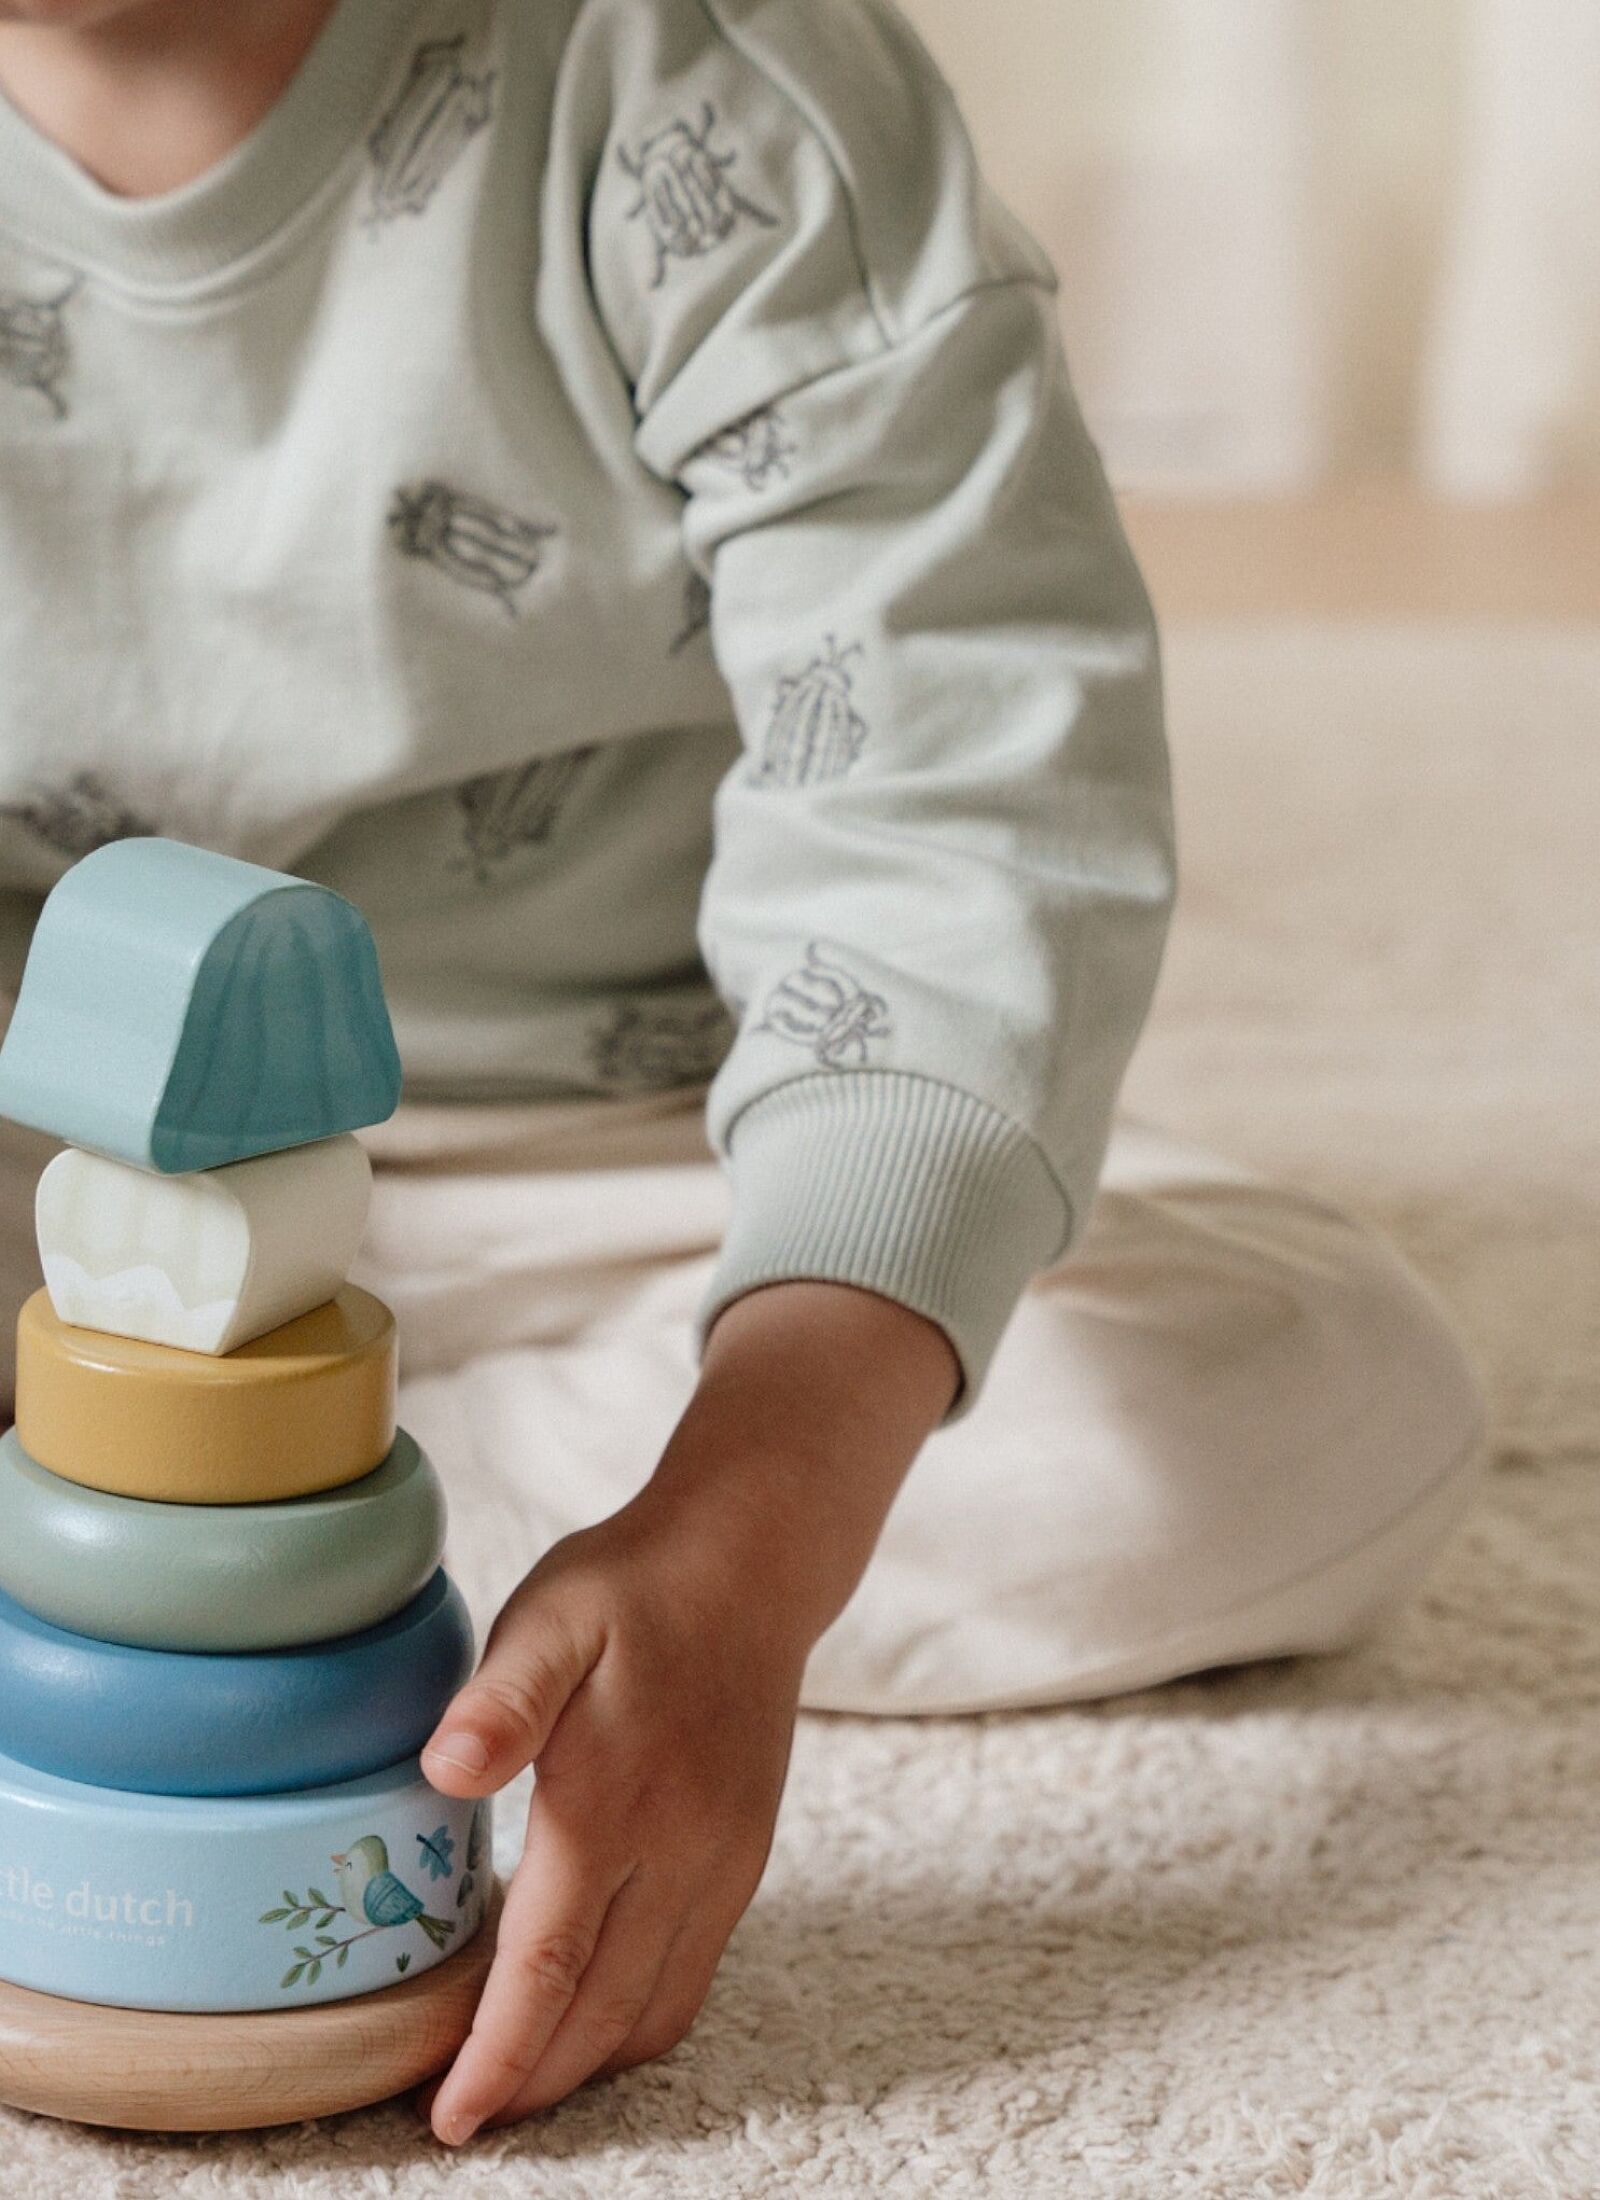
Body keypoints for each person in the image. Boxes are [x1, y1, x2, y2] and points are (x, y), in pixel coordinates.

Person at [0, 0, 1487, 2146]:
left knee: (1319, 1396)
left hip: (619, 1140)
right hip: (61, 1167)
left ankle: (360, 1532)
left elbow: (952, 799)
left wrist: (746, 1531)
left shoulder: (704, 84)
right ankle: (226, 1528)